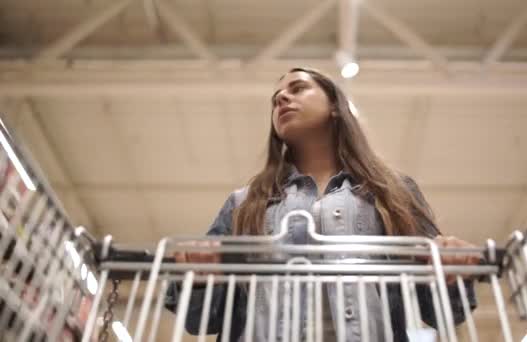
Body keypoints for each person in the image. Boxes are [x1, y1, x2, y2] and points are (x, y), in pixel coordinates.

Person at [165, 67, 479, 341]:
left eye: (298, 88)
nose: (281, 99)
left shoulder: (392, 192)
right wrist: (196, 277)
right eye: (276, 98)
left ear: (335, 107)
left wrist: (450, 269)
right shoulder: (243, 203)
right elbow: (200, 321)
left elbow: (443, 314)